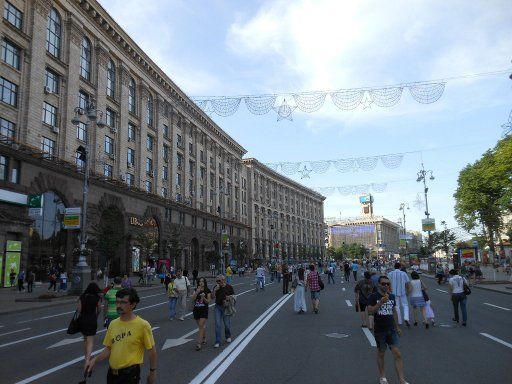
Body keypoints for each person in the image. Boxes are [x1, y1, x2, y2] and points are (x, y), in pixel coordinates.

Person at [86, 288, 157, 384]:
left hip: (130, 374)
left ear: (133, 304)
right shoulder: (113, 324)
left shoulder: (143, 325)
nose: (119, 305)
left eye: (123, 302)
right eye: (117, 302)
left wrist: (152, 372)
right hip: (112, 373)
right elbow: (109, 349)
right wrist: (94, 360)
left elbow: (151, 350)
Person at [368, 276, 409, 384]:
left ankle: (401, 380)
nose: (386, 285)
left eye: (388, 284)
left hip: (391, 329)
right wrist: (380, 302)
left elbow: (393, 312)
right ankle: (382, 376)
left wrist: (397, 327)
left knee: (397, 354)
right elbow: (370, 311)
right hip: (380, 330)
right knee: (381, 353)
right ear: (379, 284)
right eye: (383, 283)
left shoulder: (392, 296)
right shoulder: (373, 296)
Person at [77, 282, 102, 370]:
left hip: (83, 320)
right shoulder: (97, 298)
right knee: (90, 340)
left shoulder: (82, 297)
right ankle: (87, 361)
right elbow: (99, 309)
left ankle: (86, 357)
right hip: (92, 319)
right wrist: (96, 315)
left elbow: (79, 310)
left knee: (85, 339)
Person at [212, 275, 235, 348]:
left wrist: (228, 298)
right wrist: (215, 290)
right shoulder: (216, 287)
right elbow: (212, 297)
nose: (218, 282)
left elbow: (234, 298)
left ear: (223, 280)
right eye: (217, 281)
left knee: (227, 324)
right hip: (218, 307)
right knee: (217, 325)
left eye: (219, 281)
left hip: (226, 308)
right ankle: (217, 341)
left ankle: (228, 336)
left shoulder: (229, 287)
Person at [387, 263, 411, 327]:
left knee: (397, 306)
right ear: (400, 267)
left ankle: (399, 321)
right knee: (405, 305)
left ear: (394, 267)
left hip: (393, 292)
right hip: (402, 292)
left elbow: (387, 283)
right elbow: (407, 283)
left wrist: (388, 291)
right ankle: (406, 318)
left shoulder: (390, 274)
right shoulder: (404, 273)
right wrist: (408, 291)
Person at [192, 277, 211, 351]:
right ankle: (204, 337)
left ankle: (198, 344)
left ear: (204, 282)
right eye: (200, 281)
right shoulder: (196, 290)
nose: (201, 283)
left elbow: (208, 301)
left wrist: (204, 298)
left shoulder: (207, 290)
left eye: (202, 281)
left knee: (200, 325)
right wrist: (197, 292)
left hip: (204, 310)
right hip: (196, 310)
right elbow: (192, 299)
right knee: (201, 326)